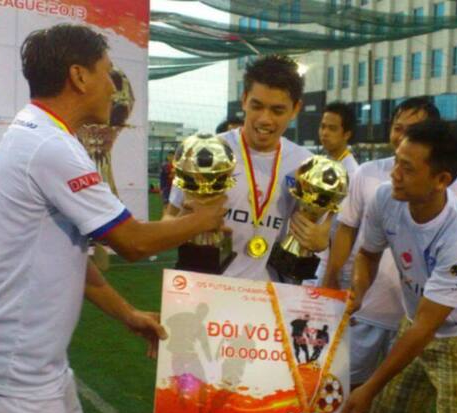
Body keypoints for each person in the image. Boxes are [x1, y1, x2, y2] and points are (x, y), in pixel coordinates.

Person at [0, 24, 226, 413]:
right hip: (10, 381)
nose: (114, 88)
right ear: (79, 76)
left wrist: (127, 312)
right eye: (107, 73)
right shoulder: (51, 146)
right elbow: (133, 242)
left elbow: (68, 259)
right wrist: (205, 217)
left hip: (34, 371)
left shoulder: (34, 132)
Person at [340, 120, 457, 413]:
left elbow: (427, 327)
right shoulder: (385, 198)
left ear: (441, 180)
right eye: (396, 162)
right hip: (416, 322)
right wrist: (359, 292)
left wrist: (370, 387)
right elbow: (367, 254)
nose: (394, 175)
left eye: (407, 168)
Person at [165, 55, 331, 281]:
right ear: (244, 99)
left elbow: (321, 235)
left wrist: (321, 241)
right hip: (209, 289)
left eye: (277, 110)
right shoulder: (207, 154)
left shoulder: (306, 165)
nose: (265, 119)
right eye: (257, 106)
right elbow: (168, 222)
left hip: (273, 297)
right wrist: (184, 223)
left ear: (295, 109)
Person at [321, 97, 439, 390]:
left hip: (412, 317)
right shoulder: (368, 173)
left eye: (414, 129)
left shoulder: (445, 183)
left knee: (396, 401)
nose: (402, 136)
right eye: (398, 127)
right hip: (366, 307)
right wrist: (330, 282)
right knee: (343, 389)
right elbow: (345, 231)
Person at [308, 101, 359, 285]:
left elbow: (344, 228)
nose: (324, 133)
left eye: (332, 128)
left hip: (332, 261)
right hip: (316, 253)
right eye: (322, 126)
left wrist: (333, 271)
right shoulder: (323, 164)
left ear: (347, 134)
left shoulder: (351, 173)